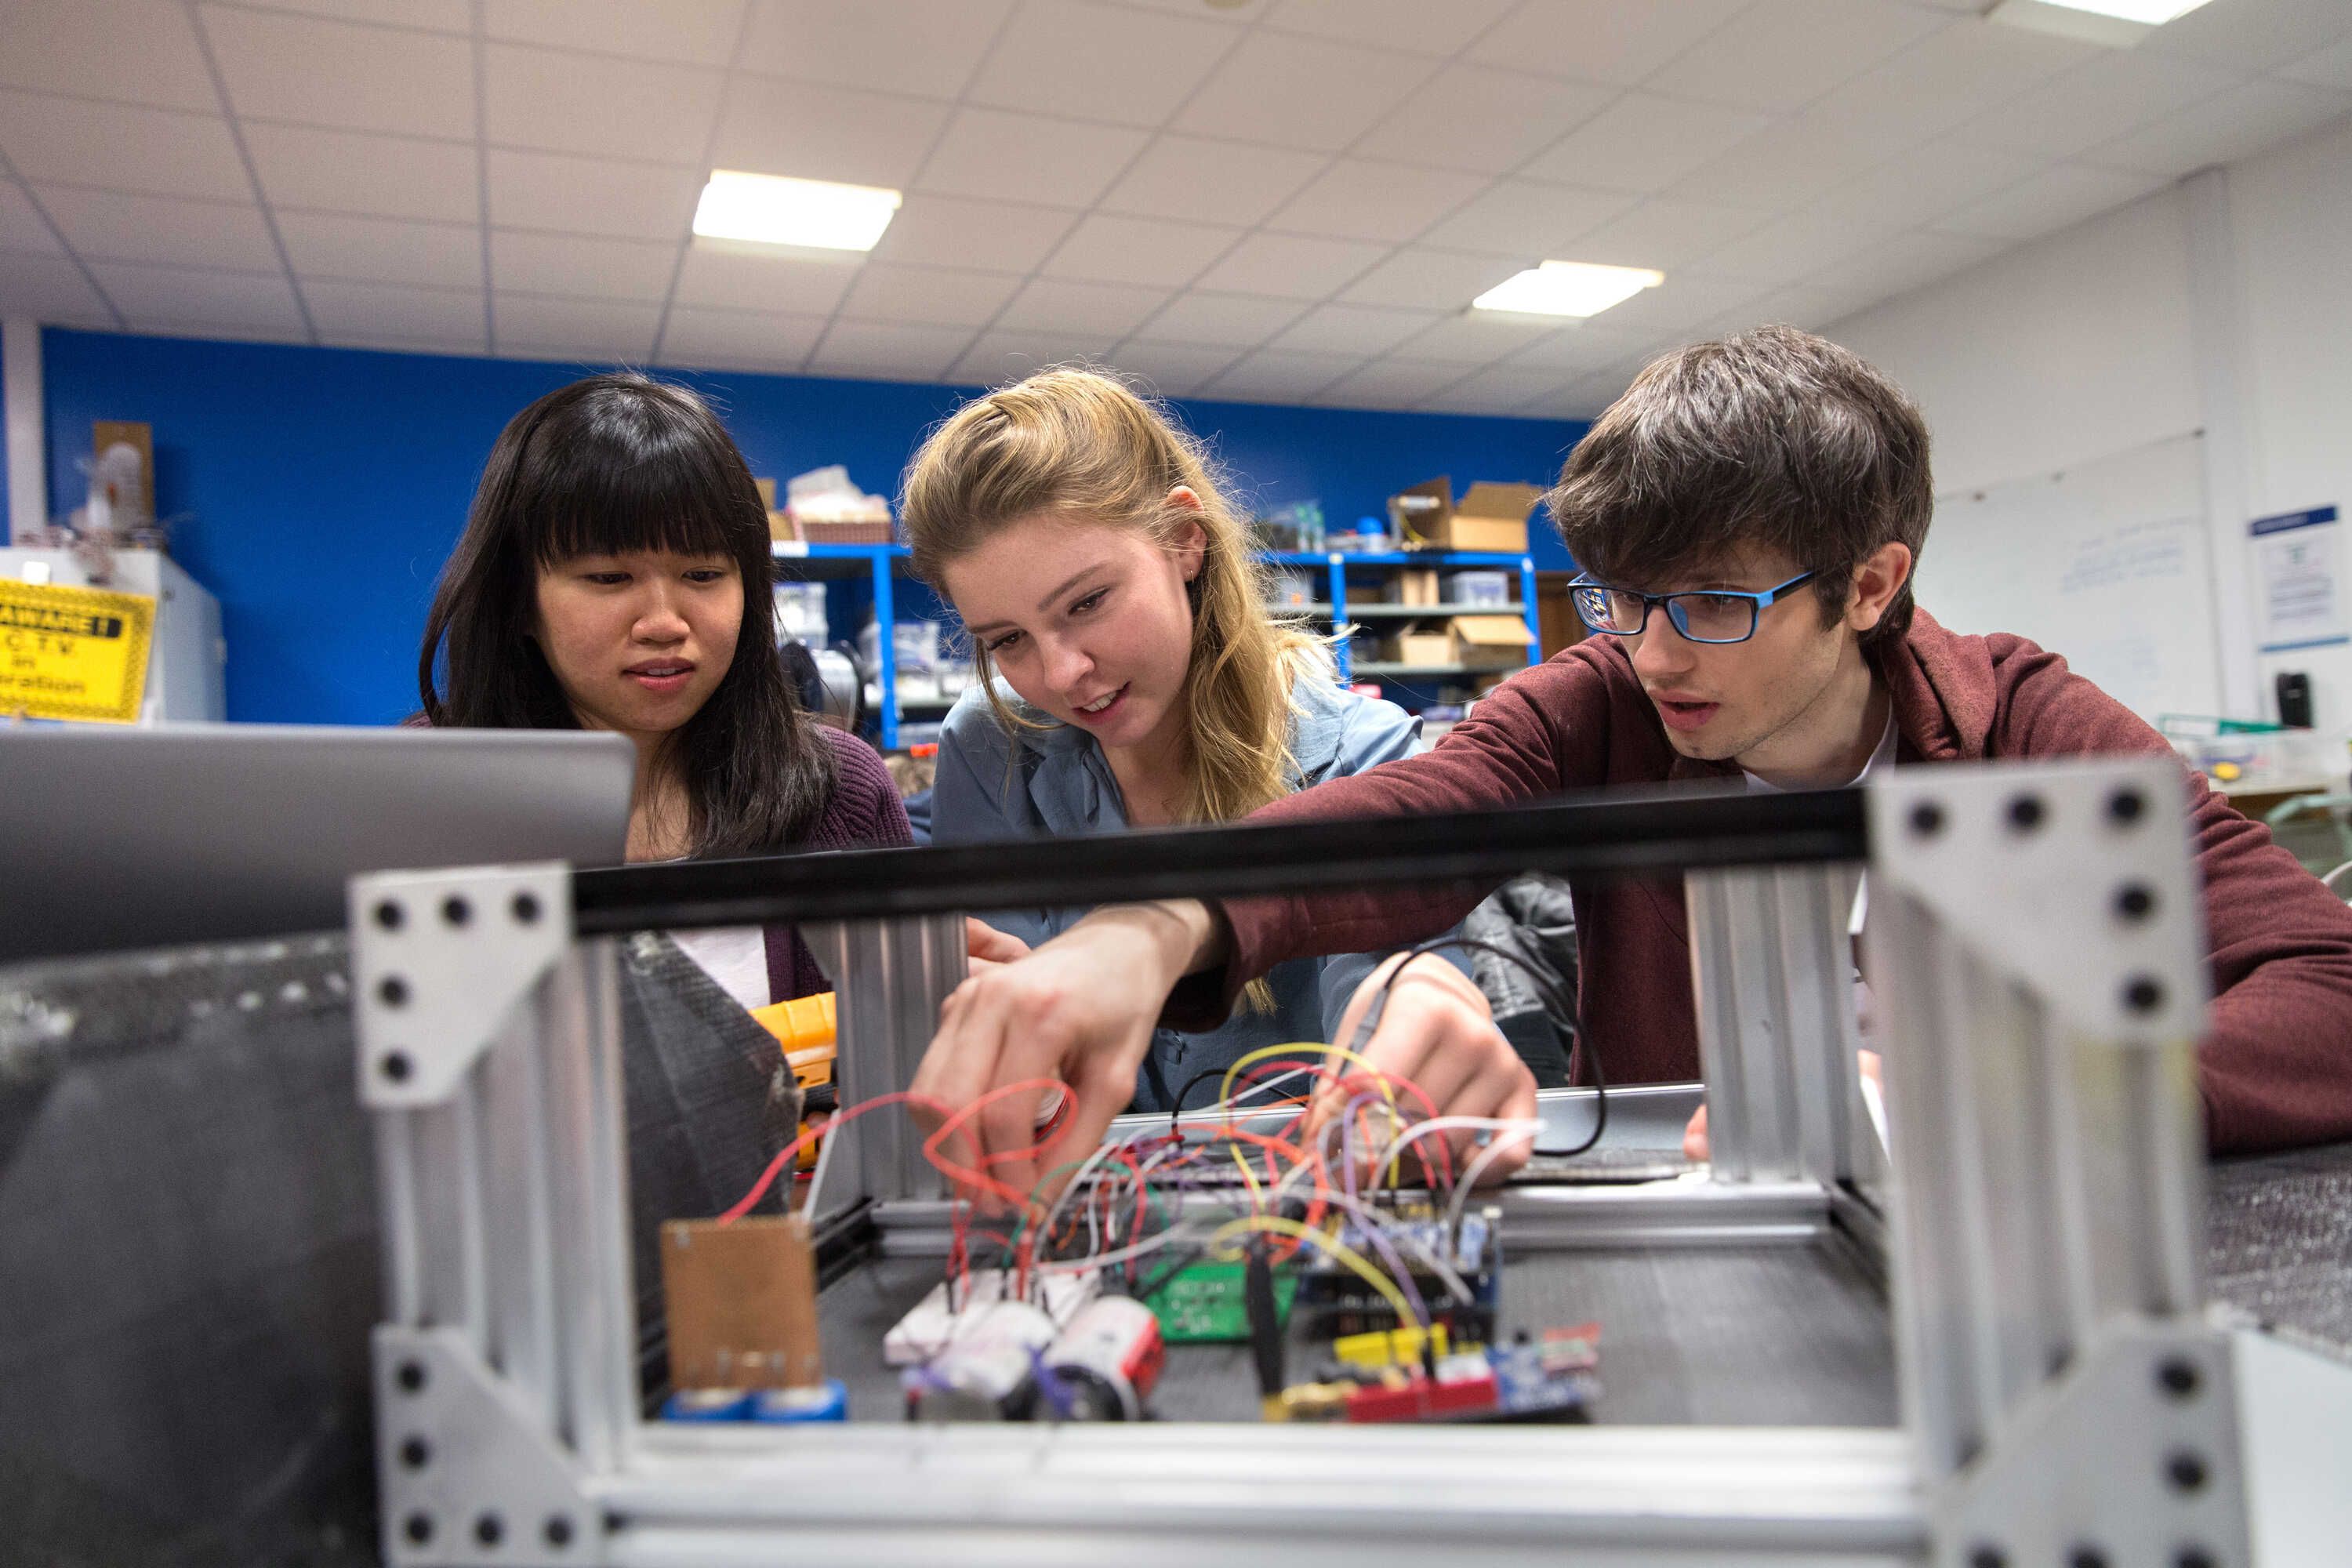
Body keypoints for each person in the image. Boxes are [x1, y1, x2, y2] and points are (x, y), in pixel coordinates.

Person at [911, 325, 2352, 1201]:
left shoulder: (2023, 719)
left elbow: (2333, 985)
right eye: (1622, 600)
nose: (1654, 655)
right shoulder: (1602, 706)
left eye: (1713, 606)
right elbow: (1421, 813)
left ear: (1868, 583)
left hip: (2016, 1253)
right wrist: (1159, 924)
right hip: (1715, 1249)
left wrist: (2040, 1091)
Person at [902, 366, 1447, 1113]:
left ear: (1185, 542)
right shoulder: (991, 742)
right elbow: (1021, 1071)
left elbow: (1390, 1069)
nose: (1062, 673)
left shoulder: (1366, 758)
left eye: (1088, 602)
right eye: (1007, 640)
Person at [417, 371, 910, 1008]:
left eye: (704, 574)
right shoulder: (422, 796)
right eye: (608, 577)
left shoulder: (841, 791)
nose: (664, 624)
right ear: (518, 601)